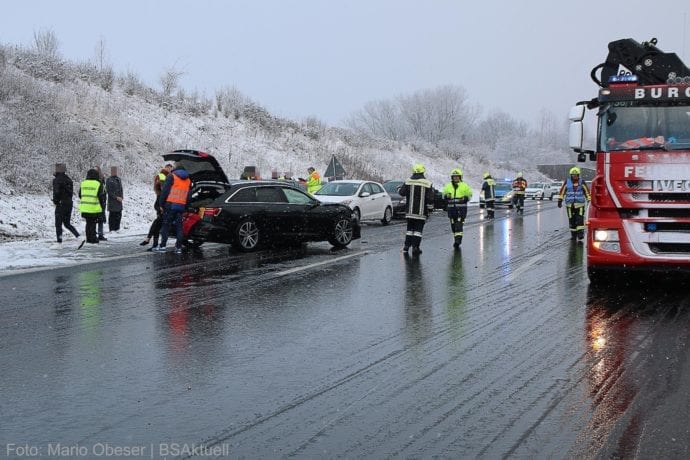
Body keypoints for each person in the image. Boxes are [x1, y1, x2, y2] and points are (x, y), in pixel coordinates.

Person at [154, 164, 192, 254]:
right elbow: (189, 196)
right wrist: (186, 207)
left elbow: (165, 191)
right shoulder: (188, 180)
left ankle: (163, 246)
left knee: (166, 225)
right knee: (179, 227)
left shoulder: (172, 176)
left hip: (170, 205)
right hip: (181, 206)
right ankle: (178, 247)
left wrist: (161, 204)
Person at [398, 163, 435, 254]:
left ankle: (406, 247)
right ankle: (415, 248)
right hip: (421, 212)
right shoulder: (427, 183)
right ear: (423, 171)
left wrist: (399, 189)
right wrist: (430, 209)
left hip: (409, 212)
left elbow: (402, 193)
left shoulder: (408, 181)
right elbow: (430, 198)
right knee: (418, 231)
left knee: (409, 230)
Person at [140, 166, 171, 250]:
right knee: (158, 224)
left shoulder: (162, 177)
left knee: (157, 224)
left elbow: (157, 187)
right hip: (162, 205)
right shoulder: (167, 178)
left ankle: (151, 240)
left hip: (161, 205)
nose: (170, 169)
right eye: (169, 167)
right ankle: (154, 243)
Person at [558, 166, 592, 240]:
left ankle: (580, 234)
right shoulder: (567, 182)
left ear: (578, 175)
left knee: (579, 219)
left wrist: (589, 200)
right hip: (569, 205)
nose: (574, 177)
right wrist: (560, 200)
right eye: (573, 175)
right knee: (571, 220)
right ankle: (573, 235)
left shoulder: (581, 182)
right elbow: (562, 192)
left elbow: (587, 192)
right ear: (571, 175)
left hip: (580, 205)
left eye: (576, 175)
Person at [442, 168, 473, 249]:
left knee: (458, 226)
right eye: (454, 176)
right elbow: (443, 195)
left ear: (460, 177)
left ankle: (458, 241)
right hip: (451, 211)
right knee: (453, 226)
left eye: (457, 176)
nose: (455, 178)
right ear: (452, 177)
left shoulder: (464, 185)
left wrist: (465, 198)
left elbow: (470, 195)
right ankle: (456, 239)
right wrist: (446, 196)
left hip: (461, 210)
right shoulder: (448, 186)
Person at [52, 163, 80, 243]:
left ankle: (59, 241)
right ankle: (78, 236)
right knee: (67, 223)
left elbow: (56, 192)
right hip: (69, 203)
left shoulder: (57, 180)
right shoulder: (69, 179)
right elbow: (70, 192)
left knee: (58, 224)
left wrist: (56, 201)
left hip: (61, 204)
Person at [79, 168, 106, 244]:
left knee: (88, 223)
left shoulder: (83, 183)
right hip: (94, 208)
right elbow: (101, 197)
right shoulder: (98, 184)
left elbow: (80, 195)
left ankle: (88, 238)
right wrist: (102, 207)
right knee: (93, 223)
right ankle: (93, 238)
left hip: (85, 208)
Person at [105, 166, 124, 232]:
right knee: (112, 216)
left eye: (115, 171)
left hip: (119, 202)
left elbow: (121, 189)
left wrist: (121, 197)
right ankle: (112, 229)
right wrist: (116, 197)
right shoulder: (109, 180)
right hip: (112, 202)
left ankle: (117, 228)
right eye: (113, 171)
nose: (115, 172)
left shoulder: (119, 179)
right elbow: (109, 191)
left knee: (119, 215)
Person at [93, 166, 107, 241]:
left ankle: (100, 234)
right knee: (96, 218)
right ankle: (96, 233)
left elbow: (104, 190)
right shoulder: (95, 180)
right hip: (97, 200)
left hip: (102, 200)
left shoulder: (102, 180)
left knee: (100, 218)